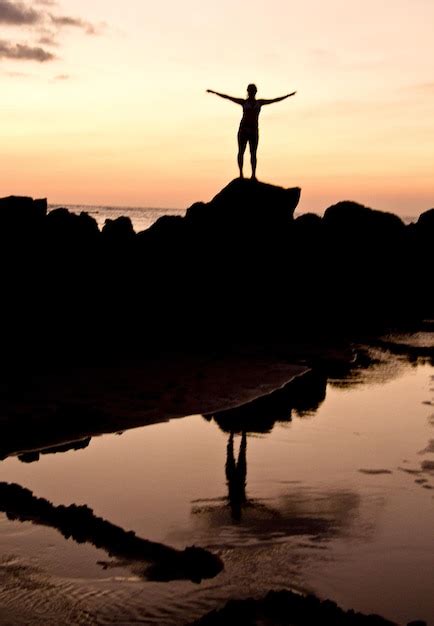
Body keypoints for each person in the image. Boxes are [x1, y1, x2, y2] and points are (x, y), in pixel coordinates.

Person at [206, 84, 296, 179]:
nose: (252, 92)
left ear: (255, 92)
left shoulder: (259, 102)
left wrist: (289, 95)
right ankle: (241, 174)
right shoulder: (244, 102)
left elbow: (275, 100)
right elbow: (228, 97)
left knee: (253, 153)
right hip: (243, 130)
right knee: (241, 151)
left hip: (253, 130)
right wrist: (214, 92)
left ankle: (253, 174)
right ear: (248, 92)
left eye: (253, 91)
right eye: (250, 91)